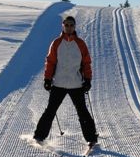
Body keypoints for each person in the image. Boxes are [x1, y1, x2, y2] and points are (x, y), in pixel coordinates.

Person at [33, 15, 98, 146]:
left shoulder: (80, 44)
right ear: (63, 26)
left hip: (76, 84)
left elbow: (86, 63)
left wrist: (88, 79)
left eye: (71, 25)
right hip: (59, 84)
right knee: (50, 110)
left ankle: (91, 138)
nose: (69, 27)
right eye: (66, 25)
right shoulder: (56, 43)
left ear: (74, 27)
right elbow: (50, 62)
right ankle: (39, 136)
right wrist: (47, 79)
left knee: (82, 111)